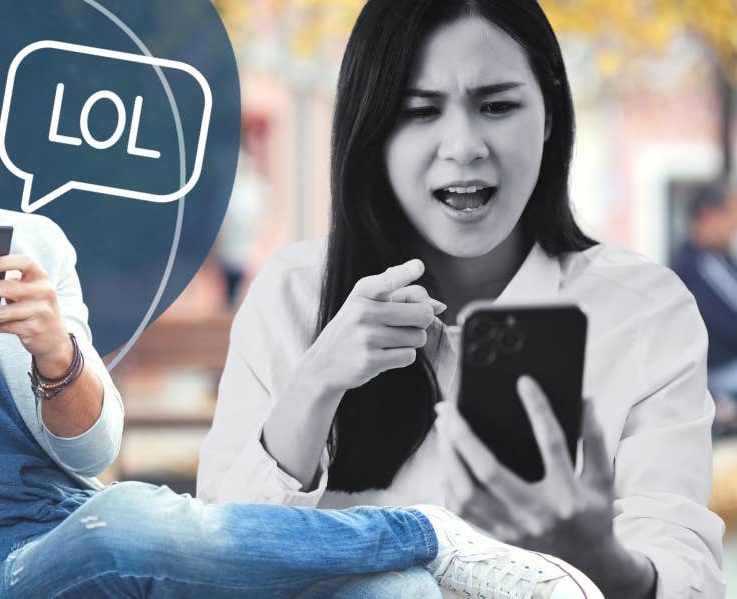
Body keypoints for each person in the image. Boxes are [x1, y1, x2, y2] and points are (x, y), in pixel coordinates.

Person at [0, 1, 601, 597]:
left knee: (389, 593)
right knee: (135, 519)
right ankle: (433, 528)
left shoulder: (29, 242)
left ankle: (419, 556)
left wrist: (59, 356)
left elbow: (90, 450)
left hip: (93, 544)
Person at [199, 0, 725, 598]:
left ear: (550, 113)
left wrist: (601, 563)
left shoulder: (645, 312)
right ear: (371, 132)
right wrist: (315, 384)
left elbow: (685, 568)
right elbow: (210, 567)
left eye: (497, 106)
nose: (464, 145)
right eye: (420, 112)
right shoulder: (293, 294)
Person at [670, 182, 737, 435]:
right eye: (731, 213)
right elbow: (720, 327)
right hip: (718, 375)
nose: (735, 224)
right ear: (708, 215)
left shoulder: (723, 261)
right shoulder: (686, 268)